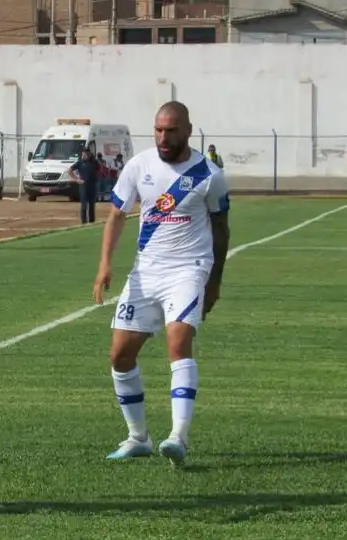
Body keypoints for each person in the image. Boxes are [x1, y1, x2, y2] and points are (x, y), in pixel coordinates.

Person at [92, 101, 231, 466]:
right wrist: (105, 264)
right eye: (158, 130)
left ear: (187, 129)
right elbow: (117, 214)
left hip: (189, 269)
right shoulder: (139, 166)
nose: (163, 137)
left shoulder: (208, 174)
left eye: (171, 131)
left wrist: (214, 281)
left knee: (178, 340)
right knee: (119, 356)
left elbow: (221, 227)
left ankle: (178, 438)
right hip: (145, 272)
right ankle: (138, 437)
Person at [68, 148, 101, 224]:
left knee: (92, 204)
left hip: (92, 185)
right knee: (84, 205)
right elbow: (70, 170)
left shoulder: (94, 162)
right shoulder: (80, 162)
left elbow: (99, 169)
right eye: (83, 154)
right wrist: (76, 179)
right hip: (84, 185)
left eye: (85, 154)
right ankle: (84, 222)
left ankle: (92, 221)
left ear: (89, 154)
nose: (84, 156)